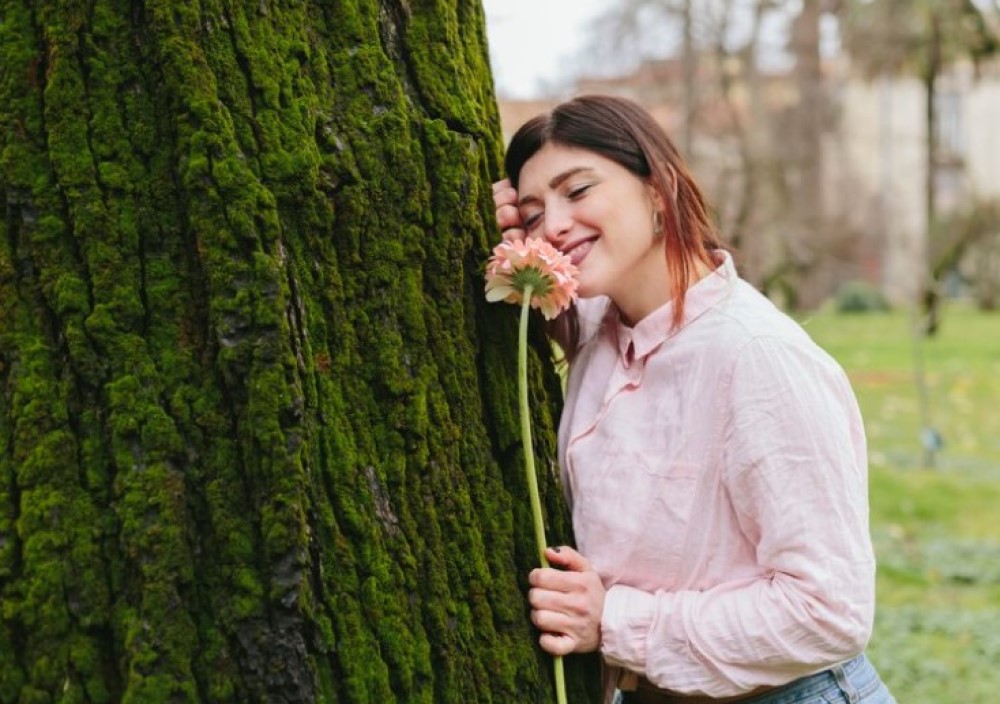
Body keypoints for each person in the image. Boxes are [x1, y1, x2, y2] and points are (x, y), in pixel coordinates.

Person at [491, 95, 896, 704]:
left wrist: (615, 622)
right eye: (534, 212)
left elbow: (827, 611)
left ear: (659, 191)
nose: (551, 225)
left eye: (577, 192)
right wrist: (512, 243)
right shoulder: (603, 328)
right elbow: (557, 306)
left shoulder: (756, 356)